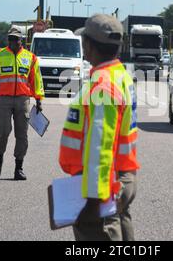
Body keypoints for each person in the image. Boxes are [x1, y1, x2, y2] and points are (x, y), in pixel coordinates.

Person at [58, 14, 140, 241]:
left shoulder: (103, 85)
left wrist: (93, 200)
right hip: (121, 175)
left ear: (89, 45)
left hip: (104, 184)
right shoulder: (120, 74)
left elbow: (100, 146)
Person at [0, 27, 44, 181]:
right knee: (3, 131)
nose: (12, 41)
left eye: (15, 38)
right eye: (10, 38)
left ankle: (19, 167)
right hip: (4, 100)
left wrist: (39, 99)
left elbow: (36, 79)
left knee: (22, 134)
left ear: (21, 40)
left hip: (23, 100)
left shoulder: (31, 58)